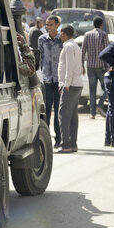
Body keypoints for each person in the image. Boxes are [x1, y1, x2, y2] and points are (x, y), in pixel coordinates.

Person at [56, 25, 83, 153]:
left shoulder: (68, 46)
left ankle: (66, 144)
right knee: (72, 116)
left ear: (63, 33)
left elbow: (69, 68)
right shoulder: (75, 45)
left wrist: (65, 84)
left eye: (60, 33)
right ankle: (73, 144)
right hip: (76, 84)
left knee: (64, 115)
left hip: (70, 85)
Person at [38, 15, 63, 148]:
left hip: (59, 81)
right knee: (46, 111)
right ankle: (46, 139)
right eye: (47, 24)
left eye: (51, 24)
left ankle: (59, 138)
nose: (48, 27)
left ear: (57, 25)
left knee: (59, 110)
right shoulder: (41, 39)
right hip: (46, 80)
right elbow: (40, 58)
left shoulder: (61, 40)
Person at [81, 16, 108, 119]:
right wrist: (107, 66)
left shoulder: (87, 34)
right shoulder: (103, 35)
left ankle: (92, 113)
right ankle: (100, 105)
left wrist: (82, 65)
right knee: (105, 87)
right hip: (101, 66)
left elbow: (83, 50)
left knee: (92, 90)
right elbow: (106, 51)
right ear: (101, 24)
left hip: (90, 66)